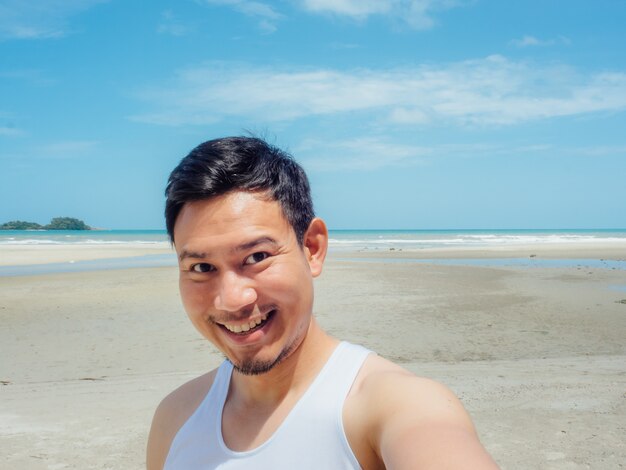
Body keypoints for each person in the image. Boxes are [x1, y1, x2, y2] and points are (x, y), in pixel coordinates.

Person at [147, 136, 499, 469]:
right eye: (202, 267)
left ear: (312, 248)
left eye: (256, 257)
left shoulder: (390, 406)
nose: (231, 299)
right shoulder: (177, 417)